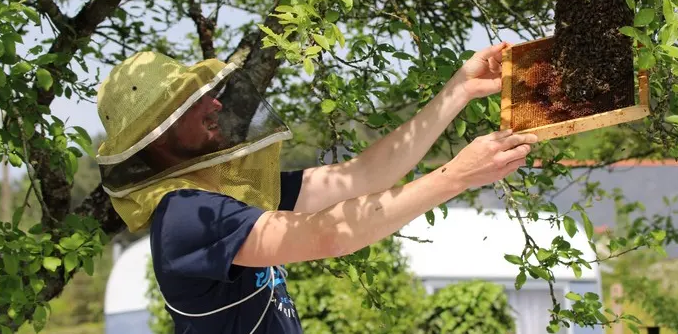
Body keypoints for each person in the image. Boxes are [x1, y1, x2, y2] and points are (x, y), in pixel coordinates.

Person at [94, 42, 537, 334]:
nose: (214, 103)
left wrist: (457, 91)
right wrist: (457, 175)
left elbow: (362, 176)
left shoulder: (228, 199)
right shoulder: (186, 216)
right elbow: (329, 234)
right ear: (156, 134)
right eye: (192, 102)